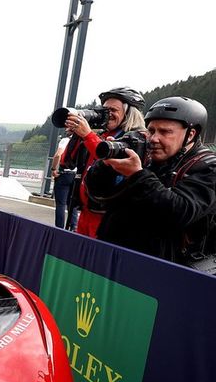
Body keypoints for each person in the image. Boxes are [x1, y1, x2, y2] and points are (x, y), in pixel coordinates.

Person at [86, 96, 216, 265]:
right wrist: (106, 165)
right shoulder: (143, 154)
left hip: (165, 270)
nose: (154, 139)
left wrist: (137, 175)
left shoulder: (207, 167)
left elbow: (180, 211)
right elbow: (97, 192)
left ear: (190, 134)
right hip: (115, 258)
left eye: (165, 132)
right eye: (151, 130)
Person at [64, 86, 146, 238]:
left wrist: (88, 135)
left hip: (108, 218)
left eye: (113, 110)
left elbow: (110, 158)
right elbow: (66, 162)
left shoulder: (136, 138)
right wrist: (77, 134)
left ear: (129, 113)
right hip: (86, 212)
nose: (108, 114)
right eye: (105, 110)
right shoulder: (100, 135)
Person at [50, 128, 80, 230]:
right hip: (76, 175)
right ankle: (74, 226)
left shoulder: (65, 140)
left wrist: (54, 169)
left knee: (61, 204)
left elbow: (58, 155)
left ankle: (59, 228)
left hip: (64, 174)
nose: (66, 129)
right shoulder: (81, 141)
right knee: (72, 203)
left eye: (68, 127)